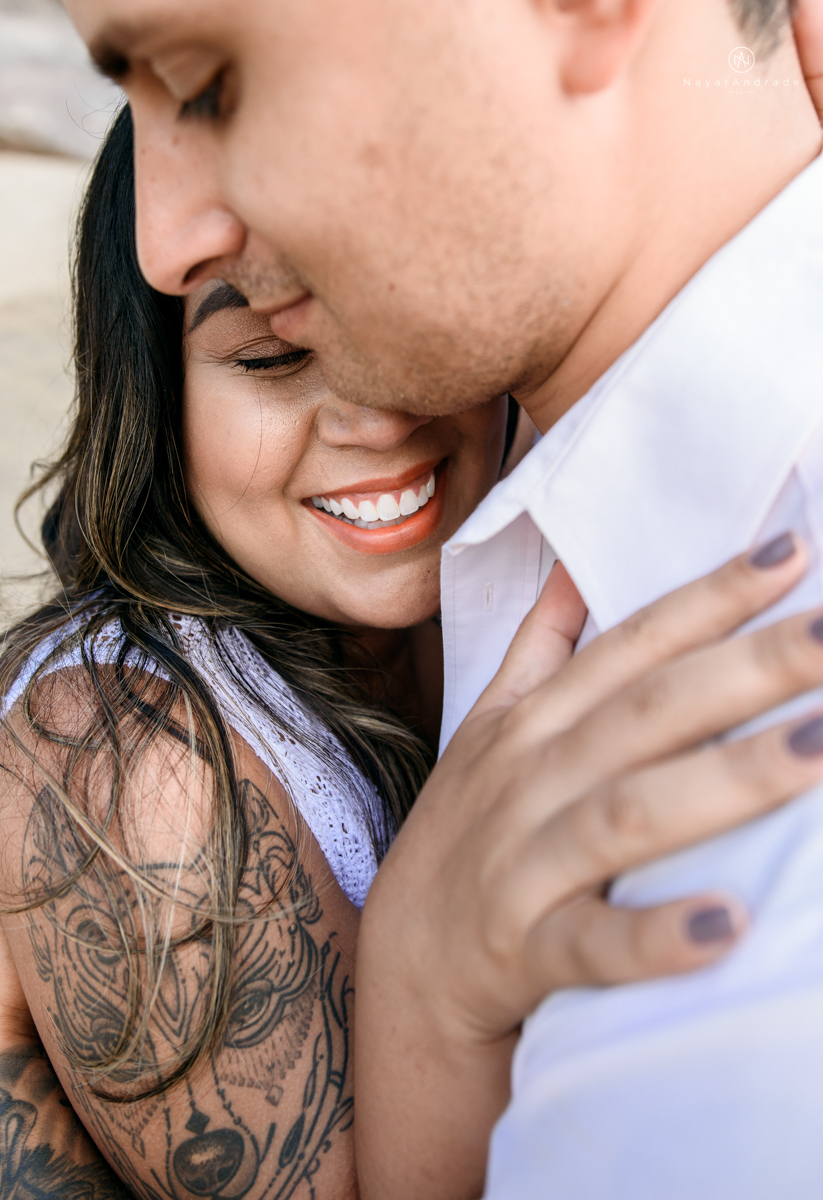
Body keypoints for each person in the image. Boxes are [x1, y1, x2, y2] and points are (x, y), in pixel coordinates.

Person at [47, 0, 823, 1195]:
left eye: (208, 80)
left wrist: (418, 1005)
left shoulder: (673, 631)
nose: (164, 239)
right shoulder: (124, 747)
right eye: (258, 364)